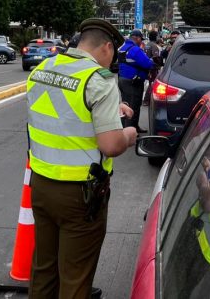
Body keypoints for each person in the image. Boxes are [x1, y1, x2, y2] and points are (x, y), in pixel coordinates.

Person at [27, 18, 137, 299]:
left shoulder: (43, 68)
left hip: (40, 185)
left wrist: (111, 110)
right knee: (75, 276)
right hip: (81, 194)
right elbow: (111, 145)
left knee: (44, 268)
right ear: (107, 47)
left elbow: (63, 112)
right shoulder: (98, 80)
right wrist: (130, 134)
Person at [118, 29, 155, 133]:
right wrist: (152, 62)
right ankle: (129, 132)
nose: (141, 42)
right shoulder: (135, 49)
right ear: (137, 38)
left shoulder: (122, 48)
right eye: (141, 39)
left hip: (123, 80)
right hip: (133, 82)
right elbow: (147, 64)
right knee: (133, 106)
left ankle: (132, 127)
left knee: (126, 105)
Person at [142, 30, 162, 106]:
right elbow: (155, 57)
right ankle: (146, 100)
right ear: (155, 37)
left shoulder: (147, 45)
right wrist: (159, 64)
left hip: (147, 67)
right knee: (152, 83)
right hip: (153, 68)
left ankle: (147, 99)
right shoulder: (154, 46)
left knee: (151, 83)